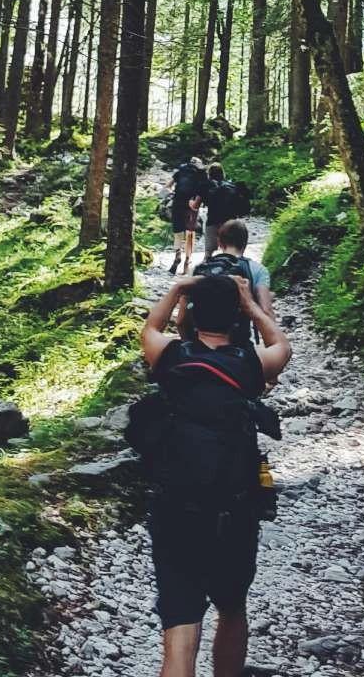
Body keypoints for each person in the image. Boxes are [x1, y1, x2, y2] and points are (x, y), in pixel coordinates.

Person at [137, 274, 292, 677]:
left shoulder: (169, 356)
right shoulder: (251, 364)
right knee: (231, 607)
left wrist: (177, 290)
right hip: (233, 511)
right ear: (236, 316)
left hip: (176, 508)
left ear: (191, 313)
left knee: (181, 626)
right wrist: (252, 303)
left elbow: (149, 328)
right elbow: (282, 346)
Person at [177, 219, 274, 346]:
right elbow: (266, 311)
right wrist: (271, 349)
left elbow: (181, 320)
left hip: (201, 344)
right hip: (239, 345)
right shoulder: (257, 270)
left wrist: (188, 344)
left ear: (219, 242)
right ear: (244, 243)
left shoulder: (198, 269)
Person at [165, 157, 211, 275]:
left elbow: (168, 186)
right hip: (192, 205)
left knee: (178, 231)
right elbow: (204, 191)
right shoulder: (201, 173)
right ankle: (187, 262)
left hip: (178, 202)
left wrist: (172, 195)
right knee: (190, 232)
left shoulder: (181, 170)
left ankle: (177, 255)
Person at [201, 163, 235, 261]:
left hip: (213, 220)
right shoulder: (230, 186)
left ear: (209, 174)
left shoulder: (207, 186)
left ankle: (205, 271)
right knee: (229, 250)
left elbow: (196, 204)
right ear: (222, 173)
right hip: (229, 222)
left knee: (208, 253)